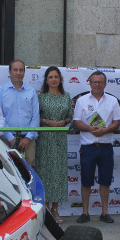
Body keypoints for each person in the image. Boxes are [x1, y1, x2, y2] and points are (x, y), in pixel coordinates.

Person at [72, 71, 120, 224]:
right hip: (88, 147)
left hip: (106, 147)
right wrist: (90, 129)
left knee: (105, 181)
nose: (97, 85)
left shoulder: (113, 100)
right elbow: (76, 122)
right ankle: (85, 212)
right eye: (94, 82)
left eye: (100, 82)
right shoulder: (82, 101)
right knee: (86, 181)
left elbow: (117, 122)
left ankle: (105, 212)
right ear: (90, 83)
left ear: (105, 84)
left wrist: (106, 130)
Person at [36, 66, 72, 222]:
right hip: (44, 138)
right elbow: (35, 117)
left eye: (56, 77)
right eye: (50, 77)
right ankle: (45, 209)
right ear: (46, 80)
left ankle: (55, 209)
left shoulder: (66, 96)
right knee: (44, 172)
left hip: (60, 139)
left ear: (60, 79)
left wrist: (64, 121)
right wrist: (47, 121)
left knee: (58, 173)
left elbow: (70, 116)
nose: (53, 79)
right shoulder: (40, 97)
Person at [0, 60, 40, 165]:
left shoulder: (31, 91)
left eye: (21, 70)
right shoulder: (0, 91)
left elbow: (35, 116)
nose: (18, 73)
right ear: (9, 72)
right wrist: (11, 139)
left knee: (27, 170)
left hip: (28, 141)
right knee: (7, 169)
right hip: (7, 139)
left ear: (24, 72)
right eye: (15, 70)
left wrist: (28, 138)